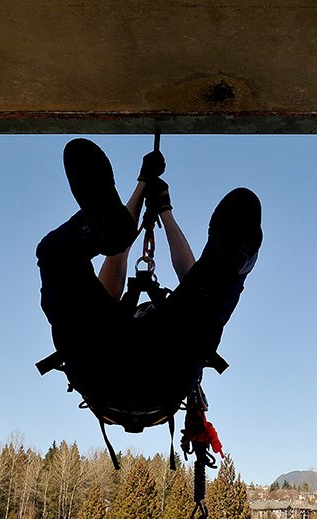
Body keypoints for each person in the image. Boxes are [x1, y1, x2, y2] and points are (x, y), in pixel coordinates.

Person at [35, 138, 262, 435]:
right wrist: (164, 209)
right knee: (204, 295)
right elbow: (190, 276)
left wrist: (142, 186)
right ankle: (231, 259)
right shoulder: (171, 327)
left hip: (105, 370)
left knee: (58, 258)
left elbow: (117, 251)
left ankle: (230, 261)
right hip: (158, 375)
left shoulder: (110, 325)